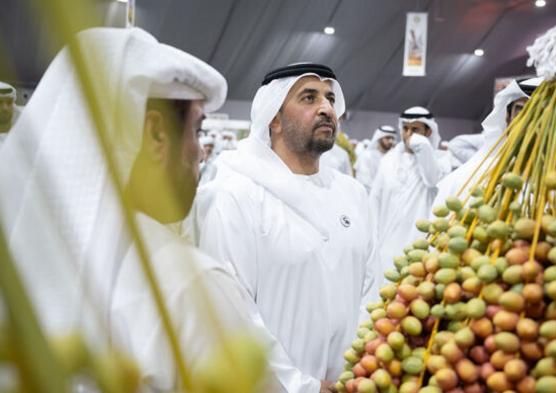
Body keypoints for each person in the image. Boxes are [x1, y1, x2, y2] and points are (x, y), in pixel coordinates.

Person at [0, 28, 319, 392]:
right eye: (197, 131)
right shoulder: (188, 286)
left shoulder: (19, 257)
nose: (201, 152)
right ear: (155, 134)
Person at [196, 62, 379, 390]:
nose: (326, 108)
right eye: (309, 98)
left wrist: (360, 368)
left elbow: (370, 289)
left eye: (330, 98)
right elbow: (230, 312)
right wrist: (304, 386)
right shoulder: (236, 194)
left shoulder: (352, 195)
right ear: (274, 119)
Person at [432, 78, 540, 207]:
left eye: (540, 113)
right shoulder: (469, 178)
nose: (528, 122)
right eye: (520, 111)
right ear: (507, 118)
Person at [370, 106, 450, 270]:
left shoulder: (441, 161)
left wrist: (423, 147)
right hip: (388, 245)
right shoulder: (388, 161)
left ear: (428, 132)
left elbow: (432, 179)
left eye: (415, 129)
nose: (408, 135)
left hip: (421, 246)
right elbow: (374, 202)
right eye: (405, 128)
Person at [354, 125, 396, 192]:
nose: (391, 141)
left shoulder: (394, 157)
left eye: (392, 138)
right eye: (387, 138)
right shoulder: (366, 156)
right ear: (379, 138)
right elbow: (364, 180)